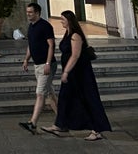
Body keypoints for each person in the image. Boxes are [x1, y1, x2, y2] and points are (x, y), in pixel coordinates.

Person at [41, 10, 111, 141]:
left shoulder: (75, 36)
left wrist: (66, 72)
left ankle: (96, 129)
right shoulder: (67, 34)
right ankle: (60, 124)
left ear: (69, 21)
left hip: (79, 73)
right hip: (72, 72)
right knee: (65, 98)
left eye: (63, 20)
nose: (61, 21)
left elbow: (75, 55)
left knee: (87, 98)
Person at [19, 2, 58, 135]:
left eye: (30, 12)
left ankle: (33, 123)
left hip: (46, 65)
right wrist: (26, 59)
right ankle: (62, 120)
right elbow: (31, 45)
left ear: (37, 13)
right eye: (27, 12)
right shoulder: (31, 27)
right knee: (49, 94)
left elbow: (51, 45)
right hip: (37, 64)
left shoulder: (45, 26)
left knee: (40, 93)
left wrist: (48, 63)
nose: (28, 14)